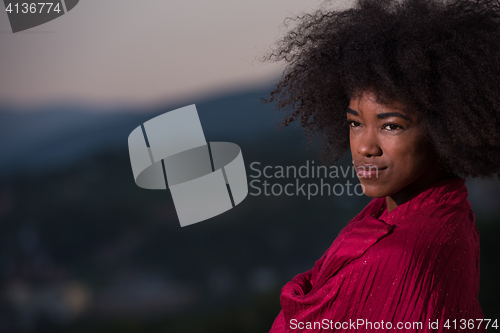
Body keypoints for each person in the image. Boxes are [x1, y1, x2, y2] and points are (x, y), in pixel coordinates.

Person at [264, 0, 500, 331]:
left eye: (391, 126)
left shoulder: (401, 258)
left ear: (446, 128)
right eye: (354, 123)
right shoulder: (435, 215)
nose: (364, 147)